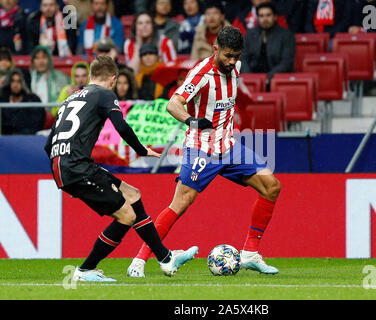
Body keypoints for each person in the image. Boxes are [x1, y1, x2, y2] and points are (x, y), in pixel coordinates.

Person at [127, 26, 281, 278]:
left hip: (229, 147)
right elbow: (173, 104)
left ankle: (250, 253)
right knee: (181, 202)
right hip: (201, 147)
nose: (232, 62)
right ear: (216, 49)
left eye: (236, 56)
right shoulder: (201, 74)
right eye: (228, 56)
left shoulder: (236, 67)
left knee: (272, 186)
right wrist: (191, 120)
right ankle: (140, 259)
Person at [44, 55, 198, 282]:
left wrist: (64, 165)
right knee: (126, 216)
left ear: (90, 75)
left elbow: (49, 144)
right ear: (113, 79)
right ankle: (85, 270)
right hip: (76, 167)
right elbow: (121, 126)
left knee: (133, 194)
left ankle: (165, 258)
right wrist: (141, 149)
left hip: (66, 164)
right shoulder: (105, 94)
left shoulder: (70, 99)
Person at [240, 2, 295, 85]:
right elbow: (244, 58)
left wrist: (268, 78)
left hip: (277, 79)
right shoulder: (250, 34)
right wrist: (250, 77)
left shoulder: (286, 35)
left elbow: (286, 62)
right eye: (261, 16)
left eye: (268, 15)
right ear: (257, 18)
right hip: (253, 79)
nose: (265, 19)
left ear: (275, 17)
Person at [0, 68, 45, 135]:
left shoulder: (33, 101)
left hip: (26, 141)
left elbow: (36, 126)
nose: (15, 85)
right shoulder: (2, 99)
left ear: (25, 83)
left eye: (19, 81)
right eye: (12, 81)